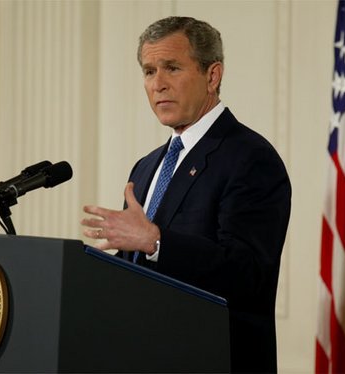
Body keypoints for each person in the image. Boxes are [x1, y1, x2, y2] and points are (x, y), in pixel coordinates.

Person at [81, 16, 291, 373]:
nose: (157, 84)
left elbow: (249, 274)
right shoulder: (146, 167)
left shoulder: (250, 157)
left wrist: (156, 241)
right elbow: (135, 271)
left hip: (216, 359)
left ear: (213, 76)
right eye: (149, 71)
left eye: (172, 68)